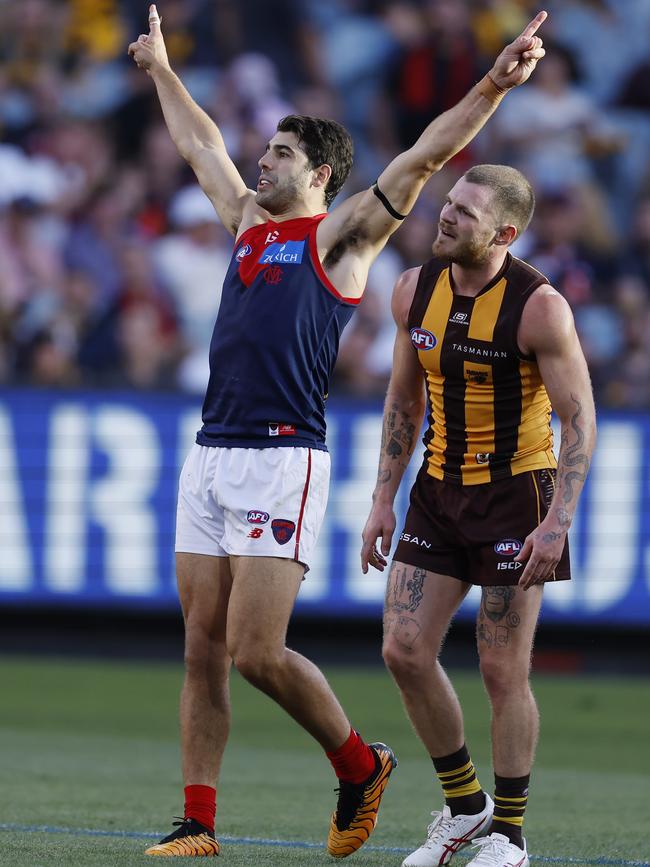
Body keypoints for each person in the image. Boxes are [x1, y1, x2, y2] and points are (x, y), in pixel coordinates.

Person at [128, 5, 548, 858]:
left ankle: (360, 765)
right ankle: (198, 821)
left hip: (284, 456)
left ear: (319, 172)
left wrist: (494, 86)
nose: (260, 159)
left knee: (255, 650)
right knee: (201, 645)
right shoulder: (248, 225)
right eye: (266, 149)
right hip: (211, 452)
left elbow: (426, 154)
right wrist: (162, 70)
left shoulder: (340, 238)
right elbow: (199, 143)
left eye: (280, 152)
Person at [360, 163, 596, 867]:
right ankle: (466, 810)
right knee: (402, 649)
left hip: (514, 499)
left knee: (502, 670)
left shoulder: (539, 306)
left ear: (506, 231)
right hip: (437, 489)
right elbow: (403, 401)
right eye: (449, 202)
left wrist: (557, 520)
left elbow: (579, 420)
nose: (447, 215)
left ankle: (511, 837)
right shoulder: (413, 288)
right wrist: (381, 496)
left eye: (466, 210)